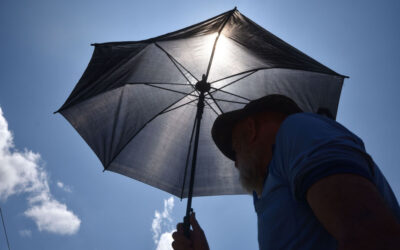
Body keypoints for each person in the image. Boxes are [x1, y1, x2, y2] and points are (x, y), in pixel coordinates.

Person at [172, 94, 400, 250]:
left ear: (250, 129)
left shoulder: (297, 130)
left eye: (234, 149)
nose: (235, 164)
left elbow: (371, 235)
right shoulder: (266, 192)